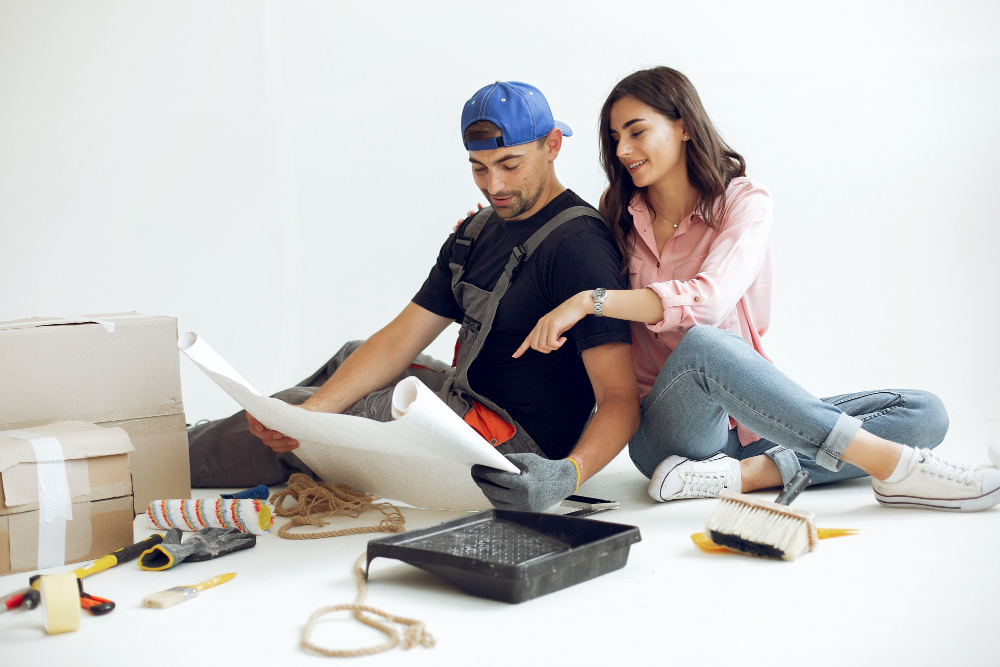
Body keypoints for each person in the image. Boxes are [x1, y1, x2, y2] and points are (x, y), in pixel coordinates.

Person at [512, 66, 1000, 512]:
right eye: (615, 138)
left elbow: (711, 298)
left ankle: (739, 476)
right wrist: (494, 230)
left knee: (923, 413)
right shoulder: (618, 213)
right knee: (704, 345)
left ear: (684, 125)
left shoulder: (744, 201)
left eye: (637, 132)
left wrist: (591, 302)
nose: (621, 151)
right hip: (664, 432)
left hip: (746, 427)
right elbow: (564, 251)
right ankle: (895, 471)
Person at [187, 81, 640, 513]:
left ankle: (170, 457)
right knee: (349, 361)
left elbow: (620, 397)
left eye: (510, 164)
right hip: (469, 398)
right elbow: (400, 339)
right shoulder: (477, 232)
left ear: (553, 145)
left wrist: (568, 474)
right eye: (479, 168)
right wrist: (313, 414)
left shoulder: (579, 248)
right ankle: (208, 439)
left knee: (293, 406)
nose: (494, 186)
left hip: (510, 446)